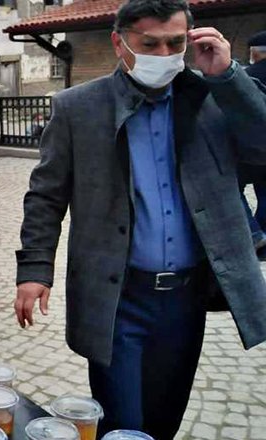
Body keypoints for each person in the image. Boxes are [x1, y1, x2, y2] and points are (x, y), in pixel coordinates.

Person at [14, 1, 266, 439]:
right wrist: (35, 270)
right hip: (118, 299)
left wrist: (228, 77)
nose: (164, 54)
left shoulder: (212, 100)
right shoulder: (78, 108)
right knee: (122, 424)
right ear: (119, 42)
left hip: (185, 301)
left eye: (175, 43)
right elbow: (46, 195)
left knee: (165, 420)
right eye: (149, 44)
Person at [237, 30, 266, 254]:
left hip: (251, 149)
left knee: (233, 189)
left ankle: (255, 235)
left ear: (255, 54)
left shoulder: (247, 77)